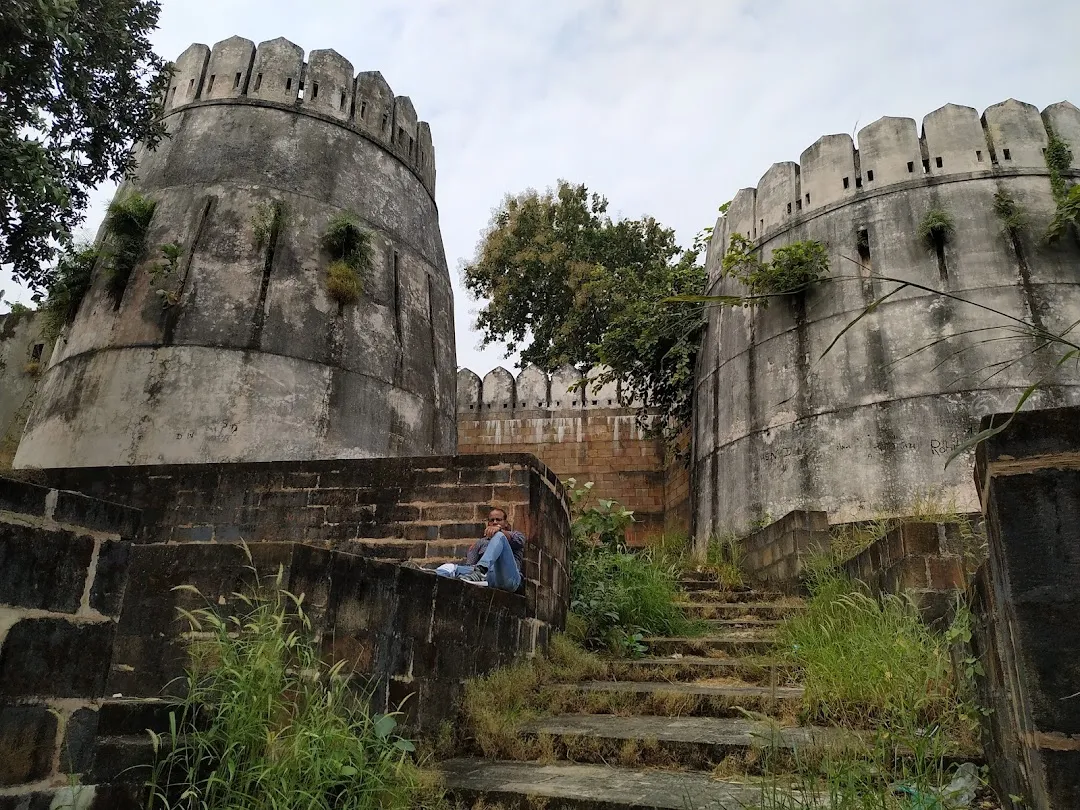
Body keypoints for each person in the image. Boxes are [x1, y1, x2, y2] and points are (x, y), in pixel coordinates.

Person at [434, 507, 524, 592]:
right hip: (488, 578)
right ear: (488, 524)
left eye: (498, 519)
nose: (495, 522)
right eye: (492, 520)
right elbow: (469, 566)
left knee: (499, 536)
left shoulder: (515, 536)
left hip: (508, 578)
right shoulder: (479, 544)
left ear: (506, 523)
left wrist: (499, 531)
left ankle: (481, 570)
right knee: (450, 567)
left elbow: (520, 541)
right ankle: (436, 574)